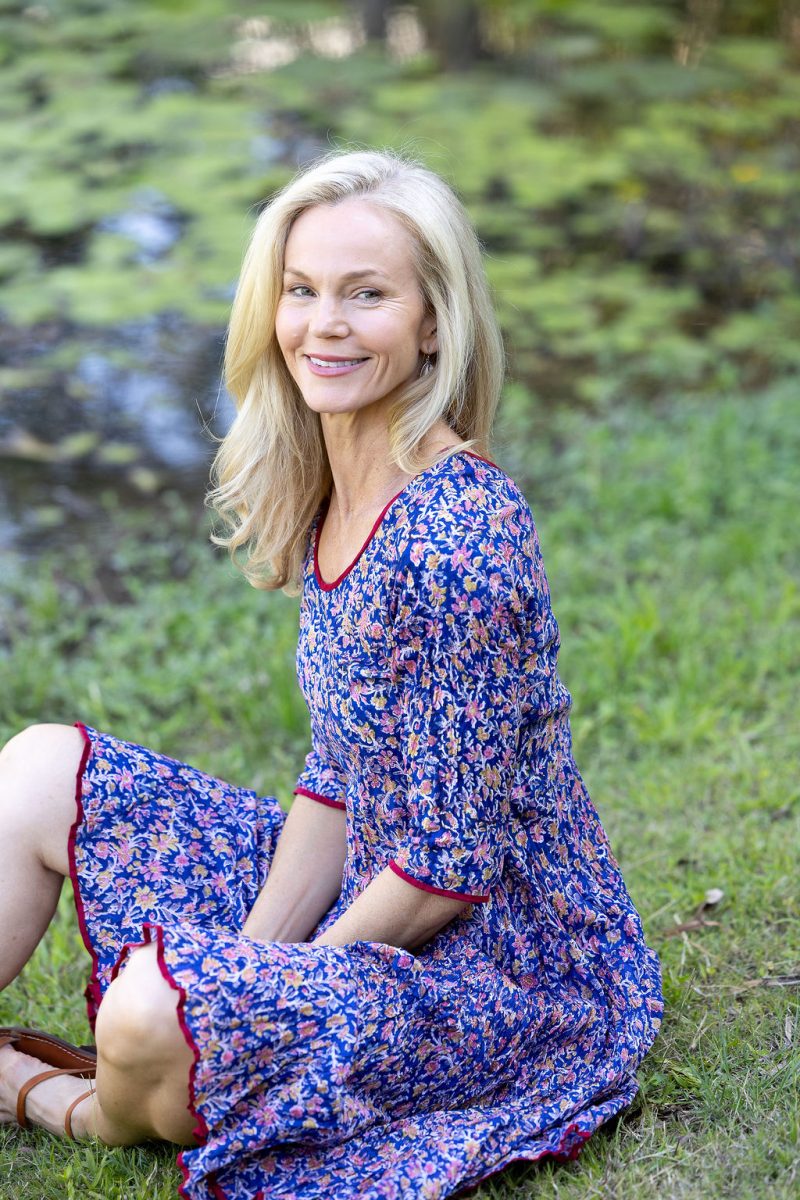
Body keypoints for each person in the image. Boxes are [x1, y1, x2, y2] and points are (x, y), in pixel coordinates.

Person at [0, 148, 663, 1199]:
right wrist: (249, 962)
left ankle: (66, 1105)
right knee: (37, 765)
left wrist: (268, 984)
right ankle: (183, 1044)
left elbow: (448, 866)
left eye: (367, 295)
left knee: (142, 1012)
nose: (324, 325)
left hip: (496, 971)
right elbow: (338, 771)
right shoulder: (339, 489)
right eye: (301, 292)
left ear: (433, 322)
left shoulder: (458, 537)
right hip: (370, 888)